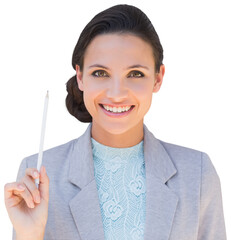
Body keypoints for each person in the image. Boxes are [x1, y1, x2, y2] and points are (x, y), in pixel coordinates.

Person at [4, 4, 227, 240]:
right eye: (100, 73)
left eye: (135, 74)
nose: (117, 93)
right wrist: (29, 235)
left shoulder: (197, 174)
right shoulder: (38, 175)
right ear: (80, 77)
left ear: (158, 78)